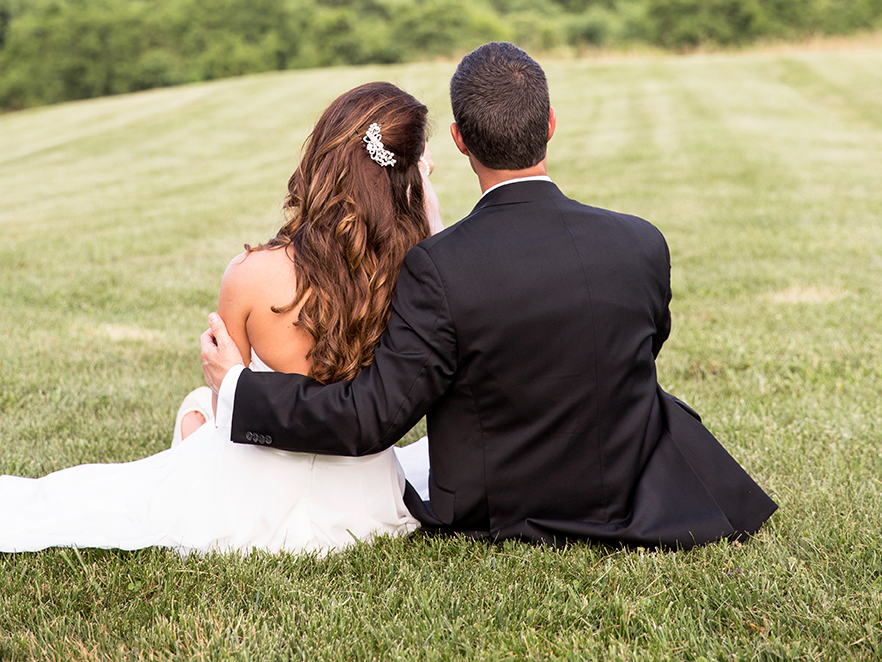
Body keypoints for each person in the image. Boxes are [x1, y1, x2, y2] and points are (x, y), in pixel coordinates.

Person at [204, 42, 777, 549]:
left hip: (499, 504)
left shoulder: (438, 267)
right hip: (642, 489)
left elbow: (370, 417)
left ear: (458, 141)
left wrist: (238, 387)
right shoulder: (642, 241)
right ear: (550, 123)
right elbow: (635, 354)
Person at [0, 82, 437, 555]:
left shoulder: (251, 275)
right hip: (364, 499)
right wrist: (422, 200)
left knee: (199, 407)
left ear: (321, 157)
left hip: (255, 497)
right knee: (198, 409)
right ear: (408, 174)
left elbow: (228, 400)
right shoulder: (422, 269)